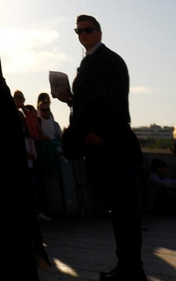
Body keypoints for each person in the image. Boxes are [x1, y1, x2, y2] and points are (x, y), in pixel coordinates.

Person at [56, 14, 144, 281]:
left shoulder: (108, 60)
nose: (83, 34)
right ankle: (127, 266)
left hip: (111, 145)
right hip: (103, 144)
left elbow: (115, 103)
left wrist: (99, 135)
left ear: (100, 32)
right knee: (119, 211)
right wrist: (71, 99)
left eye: (88, 30)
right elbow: (92, 102)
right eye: (78, 31)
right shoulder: (91, 61)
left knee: (124, 211)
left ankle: (131, 269)